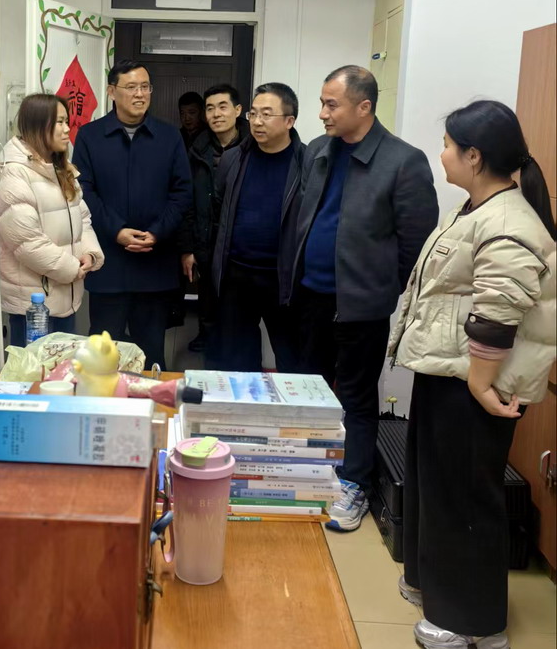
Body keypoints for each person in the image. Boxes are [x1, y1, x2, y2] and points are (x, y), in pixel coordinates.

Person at [388, 100, 555, 649]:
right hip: (449, 372)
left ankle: (471, 623)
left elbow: (499, 311)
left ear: (474, 156)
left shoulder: (507, 221)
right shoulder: (476, 208)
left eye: (448, 146)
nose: (442, 155)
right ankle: (433, 585)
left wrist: (481, 383)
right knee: (437, 488)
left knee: (465, 499)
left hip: (474, 383)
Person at [288, 65, 438, 532]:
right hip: (310, 295)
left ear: (364, 106)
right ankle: (312, 475)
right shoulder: (318, 150)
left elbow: (416, 246)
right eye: (322, 103)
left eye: (331, 104)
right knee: (310, 390)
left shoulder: (403, 161)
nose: (322, 113)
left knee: (354, 397)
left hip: (360, 305)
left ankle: (353, 483)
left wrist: (379, 289)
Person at [73, 60, 192, 369]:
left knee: (151, 355)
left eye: (145, 87)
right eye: (131, 87)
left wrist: (157, 231)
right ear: (112, 91)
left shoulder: (169, 137)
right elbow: (84, 191)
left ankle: (152, 401)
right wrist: (117, 230)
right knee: (102, 357)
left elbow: (182, 192)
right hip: (109, 264)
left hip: (154, 265)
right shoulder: (90, 136)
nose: (140, 94)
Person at [209, 83, 306, 372]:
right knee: (238, 363)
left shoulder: (309, 163)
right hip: (237, 276)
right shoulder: (233, 158)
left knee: (292, 360)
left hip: (284, 279)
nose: (257, 121)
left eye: (267, 114)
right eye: (253, 114)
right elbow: (219, 210)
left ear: (289, 121)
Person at [0, 94, 104, 345]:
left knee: (62, 367)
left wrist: (89, 253)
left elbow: (82, 218)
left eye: (67, 122)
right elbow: (28, 243)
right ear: (38, 125)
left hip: (65, 297)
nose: (67, 130)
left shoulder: (61, 168)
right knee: (34, 368)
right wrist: (72, 269)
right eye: (60, 122)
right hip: (34, 307)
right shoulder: (15, 174)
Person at [178, 83, 250, 355]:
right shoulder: (196, 150)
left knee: (239, 312)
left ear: (238, 110)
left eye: (223, 107)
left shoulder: (253, 146)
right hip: (205, 241)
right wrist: (187, 249)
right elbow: (185, 202)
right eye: (210, 108)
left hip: (240, 246)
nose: (216, 114)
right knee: (207, 301)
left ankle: (233, 354)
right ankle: (209, 346)